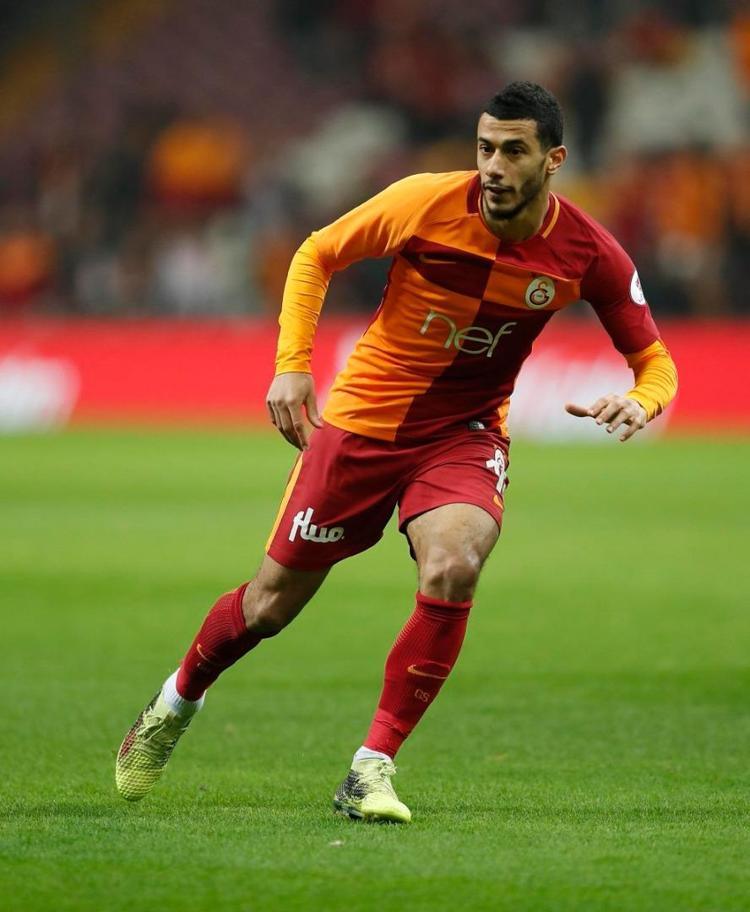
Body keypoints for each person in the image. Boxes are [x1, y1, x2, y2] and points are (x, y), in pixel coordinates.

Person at [115, 82, 678, 822]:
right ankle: (176, 700)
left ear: (554, 160)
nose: (495, 166)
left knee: (455, 563)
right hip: (363, 425)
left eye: (514, 151)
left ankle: (371, 768)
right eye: (485, 148)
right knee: (269, 606)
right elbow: (316, 253)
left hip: (463, 433)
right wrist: (291, 364)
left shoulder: (588, 251)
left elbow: (655, 363)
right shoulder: (423, 202)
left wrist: (640, 401)